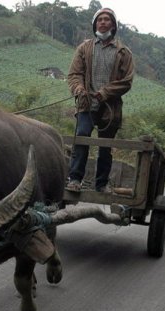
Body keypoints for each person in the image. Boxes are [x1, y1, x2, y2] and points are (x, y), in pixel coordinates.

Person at [65, 7, 134, 193]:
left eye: (107, 19)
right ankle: (75, 179)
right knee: (82, 136)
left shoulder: (123, 52)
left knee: (106, 146)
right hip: (87, 104)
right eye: (100, 19)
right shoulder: (84, 48)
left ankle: (101, 184)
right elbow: (74, 74)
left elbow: (127, 82)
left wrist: (105, 93)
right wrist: (79, 89)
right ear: (95, 24)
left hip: (110, 108)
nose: (103, 22)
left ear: (113, 25)